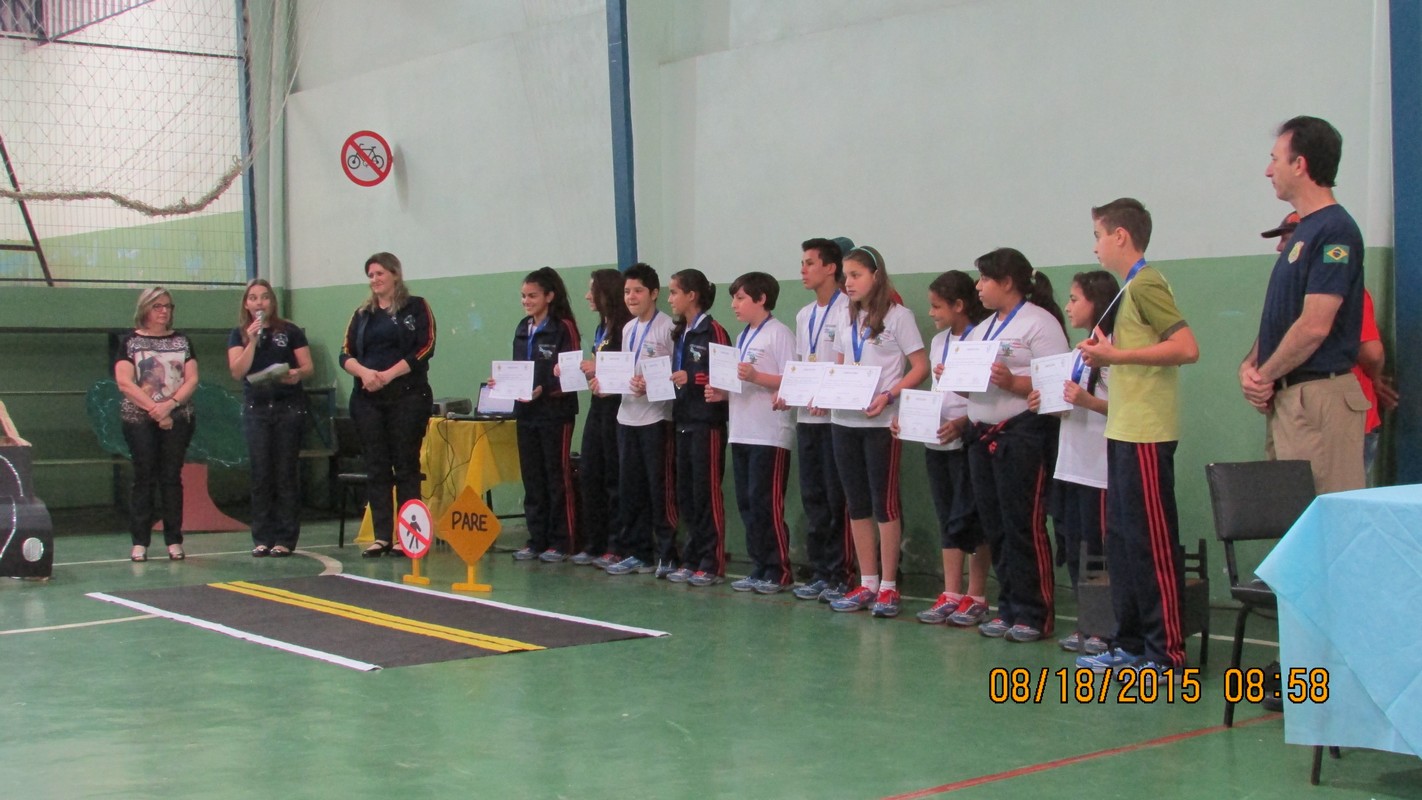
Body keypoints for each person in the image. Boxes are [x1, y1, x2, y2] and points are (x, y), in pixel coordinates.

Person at [1076, 198, 1200, 676]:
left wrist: (1116, 358)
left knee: (1151, 542)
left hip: (1147, 431)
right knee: (1123, 542)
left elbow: (1185, 347)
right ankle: (1130, 642)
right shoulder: (1127, 290)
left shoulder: (1147, 283)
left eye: (1098, 236)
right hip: (1124, 429)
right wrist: (1105, 351)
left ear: (1120, 236)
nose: (1095, 247)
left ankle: (1166, 651)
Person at [1239, 116, 1368, 494]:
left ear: (1300, 164)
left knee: (1326, 514)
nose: (1268, 171)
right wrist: (1251, 365)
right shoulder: (1304, 230)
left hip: (1319, 400)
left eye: (1275, 159)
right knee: (1291, 514)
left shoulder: (1336, 230)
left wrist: (1265, 376)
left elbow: (1313, 326)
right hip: (1289, 399)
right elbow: (1284, 317)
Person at [962, 248, 1069, 642]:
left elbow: (1057, 382)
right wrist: (955, 376)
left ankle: (1034, 613)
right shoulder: (981, 329)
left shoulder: (1039, 323)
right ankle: (1008, 607)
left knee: (1022, 524)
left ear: (1007, 282)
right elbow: (973, 384)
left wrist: (1013, 383)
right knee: (995, 526)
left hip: (1023, 435)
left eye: (985, 279)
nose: (978, 287)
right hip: (982, 436)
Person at [823, 246, 929, 617]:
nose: (848, 283)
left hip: (881, 423)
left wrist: (889, 395)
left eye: (856, 275)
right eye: (846, 276)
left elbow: (920, 366)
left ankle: (888, 586)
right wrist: (825, 394)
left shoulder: (899, 316)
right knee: (856, 503)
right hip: (844, 421)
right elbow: (840, 366)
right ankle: (867, 582)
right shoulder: (843, 315)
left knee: (884, 503)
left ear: (876, 275)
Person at [1261, 213, 1398, 481]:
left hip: (1336, 413)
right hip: (1297, 408)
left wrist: (1374, 377)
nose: (1279, 248)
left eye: (1288, 240)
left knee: (1335, 496)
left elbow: (1371, 352)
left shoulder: (1335, 289)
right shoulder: (1293, 292)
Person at [893, 270, 992, 627]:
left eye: (937, 307)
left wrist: (962, 423)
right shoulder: (939, 342)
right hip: (936, 440)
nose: (931, 313)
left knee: (973, 517)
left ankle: (976, 594)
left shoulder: (982, 339)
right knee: (946, 515)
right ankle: (951, 592)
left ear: (959, 305)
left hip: (968, 439)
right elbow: (938, 393)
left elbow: (985, 397)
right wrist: (909, 418)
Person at [1027, 270, 1118, 654]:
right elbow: (1068, 406)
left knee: (1101, 549)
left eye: (1075, 299)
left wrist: (1087, 401)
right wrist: (1045, 404)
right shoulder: (1076, 354)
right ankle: (1088, 623)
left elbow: (1127, 407)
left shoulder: (1115, 352)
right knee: (1078, 546)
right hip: (1071, 465)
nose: (1067, 306)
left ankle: (1108, 628)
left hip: (1101, 468)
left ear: (1097, 303)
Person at [339, 252, 437, 558]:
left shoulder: (416, 307)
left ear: (395, 274)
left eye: (380, 273)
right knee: (376, 466)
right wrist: (365, 374)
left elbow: (426, 347)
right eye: (370, 275)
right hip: (368, 399)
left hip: (407, 396)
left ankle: (408, 536)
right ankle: (382, 535)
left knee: (406, 465)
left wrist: (388, 375)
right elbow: (345, 353)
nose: (375, 280)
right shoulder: (362, 314)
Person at [708, 272, 795, 593]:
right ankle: (760, 566)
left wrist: (757, 376)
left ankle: (779, 570)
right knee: (747, 503)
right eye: (733, 298)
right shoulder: (743, 336)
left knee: (766, 503)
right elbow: (742, 382)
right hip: (742, 431)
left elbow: (793, 379)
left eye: (741, 298)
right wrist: (723, 393)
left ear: (761, 299)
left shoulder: (779, 333)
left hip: (770, 433)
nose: (734, 304)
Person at [785, 237, 856, 602]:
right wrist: (788, 391)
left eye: (810, 263)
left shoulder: (849, 310)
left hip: (836, 419)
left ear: (831, 267)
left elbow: (849, 364)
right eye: (802, 263)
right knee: (813, 496)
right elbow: (802, 362)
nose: (803, 270)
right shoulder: (803, 315)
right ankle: (821, 571)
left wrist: (826, 396)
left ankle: (842, 574)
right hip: (807, 418)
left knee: (836, 497)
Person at [227, 278, 314, 557]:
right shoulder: (239, 334)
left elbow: (307, 366)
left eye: (264, 297)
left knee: (285, 473)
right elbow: (237, 371)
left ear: (272, 302)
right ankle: (262, 538)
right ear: (246, 303)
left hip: (288, 407)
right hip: (257, 409)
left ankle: (285, 538)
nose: (259, 303)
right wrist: (252, 341)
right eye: (253, 298)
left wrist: (296, 374)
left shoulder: (289, 331)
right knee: (261, 474)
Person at [600, 263, 677, 576]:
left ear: (654, 293)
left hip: (656, 419)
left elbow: (676, 376)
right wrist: (606, 385)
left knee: (660, 490)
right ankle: (638, 552)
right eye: (627, 292)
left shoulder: (668, 328)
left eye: (638, 291)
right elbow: (625, 372)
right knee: (631, 489)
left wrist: (652, 386)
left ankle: (668, 554)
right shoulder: (628, 328)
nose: (631, 297)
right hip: (626, 418)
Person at [114, 286, 199, 562]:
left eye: (168, 306)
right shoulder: (130, 341)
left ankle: (174, 539)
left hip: (177, 417)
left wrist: (169, 406)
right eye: (158, 306)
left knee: (171, 476)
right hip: (139, 418)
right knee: (144, 476)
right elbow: (125, 382)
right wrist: (155, 409)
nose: (164, 311)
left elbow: (191, 379)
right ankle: (140, 541)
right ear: (145, 309)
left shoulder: (182, 341)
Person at [505, 267, 581, 562]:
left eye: (532, 296)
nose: (526, 301)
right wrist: (506, 384)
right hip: (526, 413)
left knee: (556, 476)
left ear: (549, 296)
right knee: (532, 478)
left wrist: (544, 389)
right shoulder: (522, 327)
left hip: (555, 414)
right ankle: (537, 539)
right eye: (523, 296)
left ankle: (562, 541)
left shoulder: (563, 328)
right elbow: (517, 367)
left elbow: (570, 375)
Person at [665, 269, 730, 586]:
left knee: (707, 493)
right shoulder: (680, 332)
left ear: (692, 295)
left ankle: (711, 561)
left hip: (708, 423)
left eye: (674, 292)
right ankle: (691, 558)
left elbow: (725, 376)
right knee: (687, 493)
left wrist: (693, 377)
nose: (670, 299)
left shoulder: (714, 331)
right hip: (683, 419)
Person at [571, 269, 631, 566]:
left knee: (613, 477)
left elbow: (628, 370)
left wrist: (599, 370)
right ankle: (594, 541)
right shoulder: (601, 328)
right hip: (597, 407)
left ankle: (616, 544)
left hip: (617, 409)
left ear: (606, 292)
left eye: (592, 290)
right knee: (590, 472)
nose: (587, 296)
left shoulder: (624, 329)